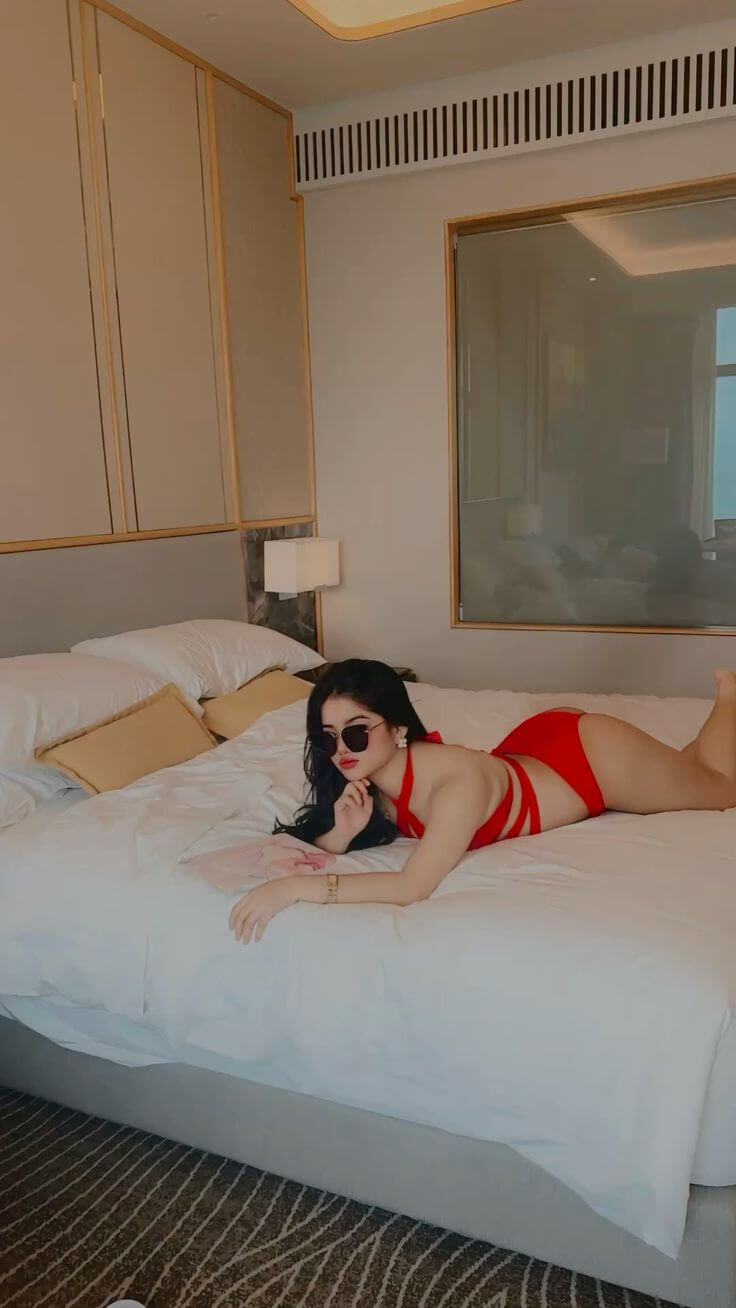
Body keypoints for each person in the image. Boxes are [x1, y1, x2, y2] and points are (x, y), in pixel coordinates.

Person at [229, 659, 736, 943]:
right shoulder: (373, 786)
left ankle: (730, 697)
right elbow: (329, 842)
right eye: (328, 737)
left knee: (720, 788)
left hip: (590, 762)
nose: (341, 750)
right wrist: (341, 834)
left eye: (356, 733)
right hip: (534, 750)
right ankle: (692, 753)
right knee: (683, 772)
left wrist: (294, 889)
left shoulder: (456, 784)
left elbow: (412, 886)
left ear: (398, 728)